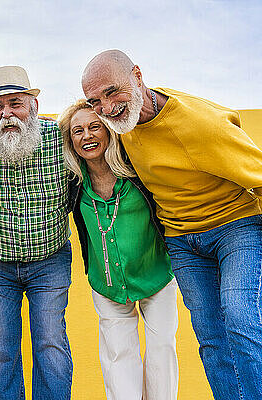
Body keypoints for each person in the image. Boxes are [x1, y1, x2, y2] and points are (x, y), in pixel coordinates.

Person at [82, 49, 262, 399]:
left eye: (111, 92)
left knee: (241, 320)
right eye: (95, 101)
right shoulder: (122, 125)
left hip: (234, 226)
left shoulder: (201, 124)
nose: (105, 107)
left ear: (137, 75)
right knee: (210, 335)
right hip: (182, 239)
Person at [0, 65, 72, 400]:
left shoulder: (61, 139)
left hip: (50, 261)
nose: (7, 113)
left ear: (34, 107)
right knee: (3, 349)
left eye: (16, 103)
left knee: (51, 343)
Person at [60, 99, 178, 400]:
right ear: (70, 140)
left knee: (162, 350)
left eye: (94, 127)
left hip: (155, 275)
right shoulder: (73, 183)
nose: (87, 135)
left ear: (109, 131)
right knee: (117, 359)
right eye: (78, 131)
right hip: (108, 284)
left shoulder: (137, 171)